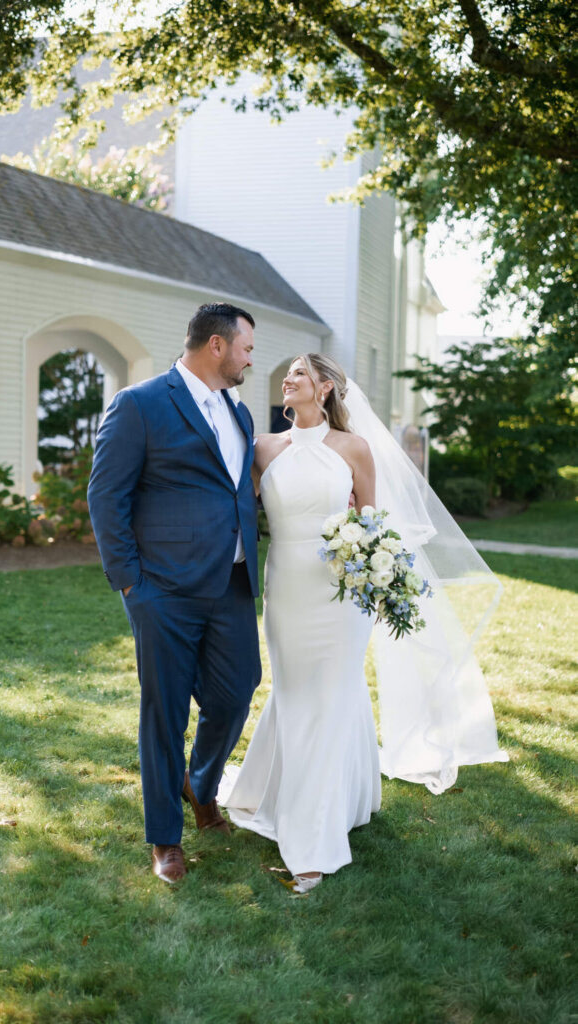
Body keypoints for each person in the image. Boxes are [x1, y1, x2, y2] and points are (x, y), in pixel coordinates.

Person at [219, 352, 507, 893]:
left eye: (300, 373)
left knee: (333, 692)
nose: (289, 379)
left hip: (341, 592)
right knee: (299, 691)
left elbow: (372, 523)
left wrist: (373, 571)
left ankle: (312, 835)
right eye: (287, 374)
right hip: (286, 587)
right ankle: (326, 795)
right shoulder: (261, 448)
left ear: (325, 388)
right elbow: (235, 503)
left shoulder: (354, 448)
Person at [87, 302, 262, 884]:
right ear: (217, 345)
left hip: (231, 583)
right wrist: (131, 581)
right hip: (161, 588)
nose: (249, 360)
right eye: (246, 348)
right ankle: (166, 838)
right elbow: (106, 496)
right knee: (163, 714)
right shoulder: (139, 404)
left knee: (237, 692)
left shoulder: (240, 414)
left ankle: (201, 783)